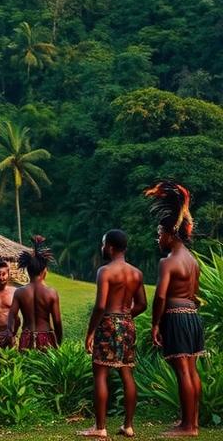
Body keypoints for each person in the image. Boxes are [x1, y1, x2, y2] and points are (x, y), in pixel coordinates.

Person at [146, 181, 204, 438]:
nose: (158, 238)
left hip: (177, 317)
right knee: (191, 369)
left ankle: (188, 427)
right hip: (192, 316)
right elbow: (195, 294)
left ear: (171, 233)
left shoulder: (168, 262)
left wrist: (155, 323)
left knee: (183, 371)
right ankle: (192, 422)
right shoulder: (192, 261)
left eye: (160, 233)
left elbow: (160, 295)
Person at [79, 229, 147, 439]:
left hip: (108, 321)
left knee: (100, 373)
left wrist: (90, 332)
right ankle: (128, 426)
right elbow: (143, 304)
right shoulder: (136, 273)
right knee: (127, 372)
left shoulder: (105, 271)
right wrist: (125, 318)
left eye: (103, 244)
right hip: (127, 323)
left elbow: (100, 306)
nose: (102, 248)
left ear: (109, 246)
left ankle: (100, 427)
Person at [7, 235, 62, 350]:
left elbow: (12, 316)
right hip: (46, 338)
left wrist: (11, 336)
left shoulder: (20, 292)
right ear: (44, 271)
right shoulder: (51, 293)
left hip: (27, 337)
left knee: (27, 367)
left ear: (27, 271)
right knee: (44, 368)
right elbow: (57, 321)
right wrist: (59, 342)